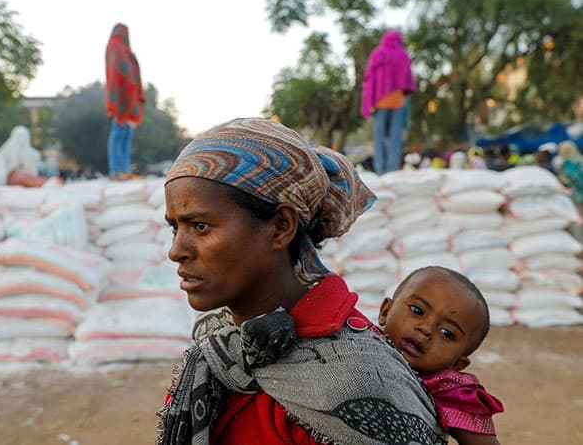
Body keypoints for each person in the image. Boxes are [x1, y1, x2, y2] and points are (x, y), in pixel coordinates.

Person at [156, 118, 447, 445]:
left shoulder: (357, 377)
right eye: (174, 228)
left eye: (200, 227)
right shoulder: (219, 344)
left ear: (280, 226)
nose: (176, 251)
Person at [378, 266, 504, 445]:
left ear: (457, 364)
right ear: (385, 312)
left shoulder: (447, 390)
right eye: (417, 311)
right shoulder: (354, 343)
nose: (426, 329)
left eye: (447, 332)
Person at [361, 30, 416, 175]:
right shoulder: (403, 55)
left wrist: (370, 97)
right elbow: (407, 79)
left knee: (379, 137)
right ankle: (391, 170)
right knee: (395, 137)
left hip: (380, 102)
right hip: (398, 101)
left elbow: (369, 77)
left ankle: (380, 169)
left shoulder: (378, 54)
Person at [105, 23, 146, 180]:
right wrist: (118, 98)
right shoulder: (115, 46)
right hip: (121, 97)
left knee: (126, 135)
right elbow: (116, 72)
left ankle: (125, 169)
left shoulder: (127, 51)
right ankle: (116, 170)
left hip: (130, 99)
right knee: (118, 134)